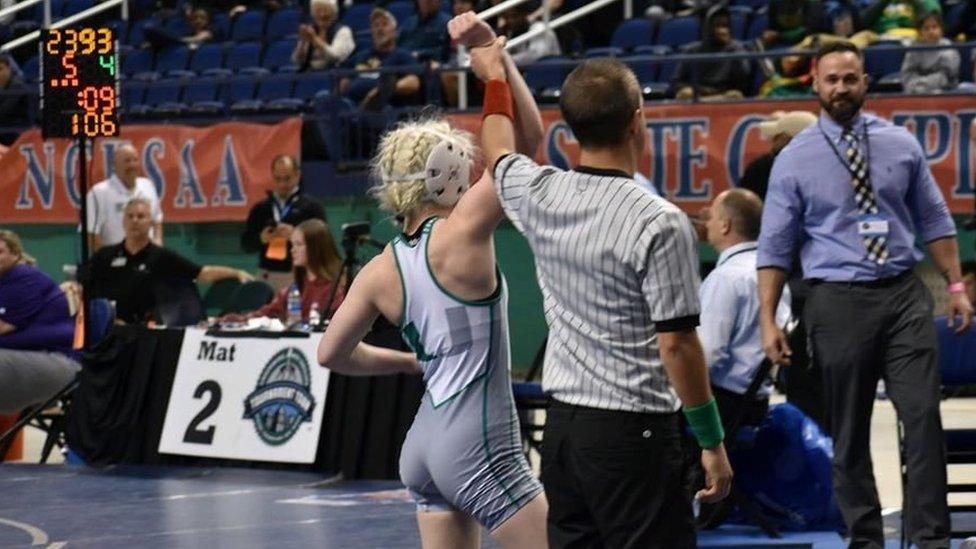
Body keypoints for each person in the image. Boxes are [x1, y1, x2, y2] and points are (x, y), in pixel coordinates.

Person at [476, 41, 733, 546]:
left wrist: (494, 73)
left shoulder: (538, 193)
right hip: (633, 433)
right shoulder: (661, 222)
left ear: (570, 127)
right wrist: (712, 441)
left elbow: (498, 145)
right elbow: (677, 344)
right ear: (637, 119)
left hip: (564, 433)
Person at [318, 12, 548, 549]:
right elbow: (524, 148)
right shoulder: (464, 230)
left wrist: (404, 361)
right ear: (446, 173)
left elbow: (331, 353)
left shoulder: (381, 267)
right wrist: (494, 67)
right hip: (478, 445)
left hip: (423, 446)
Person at [757, 41, 973, 547]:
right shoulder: (793, 160)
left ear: (865, 83)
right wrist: (768, 318)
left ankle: (930, 538)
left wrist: (957, 287)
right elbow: (774, 246)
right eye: (831, 79)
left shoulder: (901, 144)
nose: (841, 89)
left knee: (922, 416)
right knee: (849, 429)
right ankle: (865, 537)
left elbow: (936, 220)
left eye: (850, 79)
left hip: (903, 295)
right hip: (836, 300)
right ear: (814, 83)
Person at [700, 189, 791, 427]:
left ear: (725, 225)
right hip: (756, 403)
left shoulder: (726, 279)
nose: (706, 223)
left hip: (723, 408)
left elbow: (708, 356)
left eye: (711, 217)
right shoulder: (773, 277)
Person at [86, 198, 252, 324]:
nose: (134, 220)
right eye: (130, 216)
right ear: (123, 221)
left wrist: (236, 272)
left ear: (151, 222)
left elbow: (202, 273)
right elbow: (83, 282)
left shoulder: (161, 257)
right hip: (105, 326)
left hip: (142, 329)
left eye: (140, 216)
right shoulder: (105, 255)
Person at [0, 230, 81, 413]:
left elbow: (2, 326)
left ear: (15, 254)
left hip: (60, 360)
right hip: (30, 355)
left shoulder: (24, 277)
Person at [227, 219, 346, 323]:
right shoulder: (294, 289)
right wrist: (232, 321)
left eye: (299, 244)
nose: (292, 250)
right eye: (292, 245)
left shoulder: (337, 289)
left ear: (316, 247)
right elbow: (265, 313)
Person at [241, 154, 327, 291]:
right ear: (272, 176)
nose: (282, 184)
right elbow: (245, 244)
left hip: (298, 274)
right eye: (278, 179)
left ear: (297, 175)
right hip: (266, 274)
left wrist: (296, 235)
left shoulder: (312, 207)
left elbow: (323, 243)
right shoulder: (261, 208)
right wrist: (261, 239)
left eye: (287, 179)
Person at [86, 144, 163, 251]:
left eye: (135, 160)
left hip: (147, 261)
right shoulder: (98, 193)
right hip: (115, 263)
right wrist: (108, 259)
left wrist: (157, 242)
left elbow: (157, 219)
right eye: (127, 161)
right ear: (115, 165)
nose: (132, 165)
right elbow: (90, 233)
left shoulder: (148, 186)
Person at [339, 8, 421, 110]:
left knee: (383, 107)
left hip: (383, 106)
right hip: (352, 106)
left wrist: (383, 89)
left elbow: (413, 83)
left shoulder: (402, 55)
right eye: (376, 25)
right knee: (323, 97)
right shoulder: (360, 55)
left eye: (384, 24)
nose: (379, 29)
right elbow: (342, 78)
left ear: (394, 32)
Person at [672, 4, 752, 101]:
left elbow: (744, 80)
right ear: (708, 28)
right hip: (697, 94)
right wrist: (702, 89)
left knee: (735, 95)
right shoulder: (692, 50)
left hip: (723, 95)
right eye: (718, 26)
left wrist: (736, 51)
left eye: (725, 26)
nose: (723, 31)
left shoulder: (736, 48)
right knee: (685, 93)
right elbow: (676, 81)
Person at [740, 110, 818, 199]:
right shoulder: (825, 166)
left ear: (787, 139)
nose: (773, 141)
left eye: (777, 136)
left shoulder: (764, 167)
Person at [900, 11, 959, 94]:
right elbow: (907, 75)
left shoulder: (948, 47)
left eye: (934, 27)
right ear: (920, 32)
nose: (931, 31)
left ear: (941, 30)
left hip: (945, 91)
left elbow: (946, 76)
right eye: (926, 28)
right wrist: (916, 87)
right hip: (917, 90)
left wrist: (923, 83)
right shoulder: (914, 48)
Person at [292, 0, 355, 71]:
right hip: (310, 74)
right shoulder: (311, 30)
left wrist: (314, 39)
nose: (322, 14)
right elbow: (297, 60)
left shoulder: (343, 31)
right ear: (313, 14)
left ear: (334, 14)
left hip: (333, 74)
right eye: (318, 11)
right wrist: (303, 42)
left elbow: (335, 57)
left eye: (326, 11)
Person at [0, 54, 30, 146]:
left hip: (17, 134)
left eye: (0, 69)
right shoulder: (2, 86)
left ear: (9, 68)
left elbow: (3, 112)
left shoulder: (17, 86)